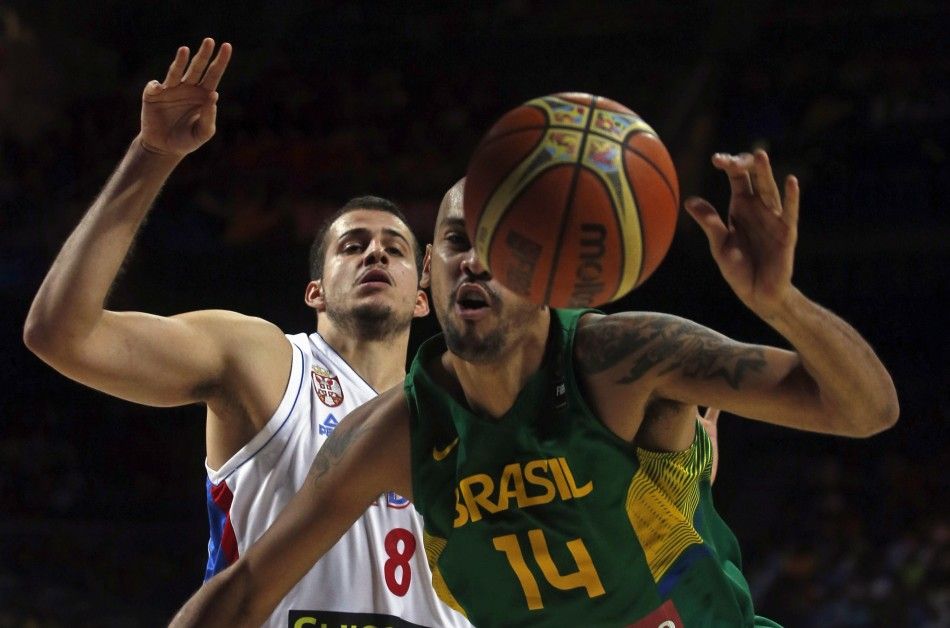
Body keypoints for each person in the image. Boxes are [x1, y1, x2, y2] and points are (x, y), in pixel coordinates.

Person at [170, 143, 899, 626]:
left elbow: (866, 411)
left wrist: (781, 305)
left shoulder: (625, 360)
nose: (476, 261)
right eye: (456, 240)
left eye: (504, 244)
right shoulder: (394, 434)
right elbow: (240, 592)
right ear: (431, 274)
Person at [22, 38, 472, 628]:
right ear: (315, 292)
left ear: (422, 297)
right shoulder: (267, 361)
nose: (375, 256)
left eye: (395, 249)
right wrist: (151, 154)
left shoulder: (467, 419)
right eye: (352, 246)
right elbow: (61, 332)